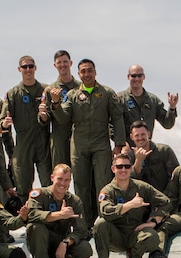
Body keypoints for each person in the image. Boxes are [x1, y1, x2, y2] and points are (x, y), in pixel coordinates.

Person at [50, 58, 126, 223]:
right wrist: (55, 104)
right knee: (81, 185)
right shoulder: (72, 95)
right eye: (83, 71)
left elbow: (117, 118)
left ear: (95, 72)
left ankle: (105, 220)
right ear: (79, 74)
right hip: (79, 145)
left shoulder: (107, 93)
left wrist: (119, 144)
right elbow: (63, 119)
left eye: (89, 70)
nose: (86, 74)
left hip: (101, 144)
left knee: (103, 182)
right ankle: (84, 224)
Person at [93, 153, 173, 258]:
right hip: (116, 235)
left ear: (131, 168)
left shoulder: (141, 187)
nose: (123, 170)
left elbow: (165, 202)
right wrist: (130, 205)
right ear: (113, 169)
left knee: (152, 236)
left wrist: (153, 221)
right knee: (100, 224)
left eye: (126, 166)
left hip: (135, 232)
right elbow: (105, 211)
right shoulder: (107, 191)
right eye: (119, 167)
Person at [23, 164, 93, 258]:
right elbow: (32, 215)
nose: (63, 183)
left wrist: (66, 242)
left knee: (85, 248)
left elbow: (81, 230)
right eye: (59, 179)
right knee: (35, 227)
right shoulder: (39, 195)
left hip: (60, 242)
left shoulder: (74, 201)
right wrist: (59, 215)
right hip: (40, 242)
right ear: (52, 178)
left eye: (66, 180)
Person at [0, 55, 51, 193]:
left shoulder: (46, 90)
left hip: (44, 143)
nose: (28, 69)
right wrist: (4, 124)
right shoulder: (13, 94)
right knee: (22, 188)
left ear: (35, 68)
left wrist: (45, 116)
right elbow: (2, 120)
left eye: (30, 66)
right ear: (19, 69)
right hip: (23, 143)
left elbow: (57, 114)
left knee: (49, 186)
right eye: (24, 67)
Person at [117, 65, 177, 137]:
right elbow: (112, 125)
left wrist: (172, 107)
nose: (137, 79)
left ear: (144, 77)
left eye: (139, 76)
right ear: (128, 77)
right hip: (126, 146)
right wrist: (122, 144)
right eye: (133, 76)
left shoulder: (153, 101)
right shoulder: (119, 99)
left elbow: (167, 124)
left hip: (147, 146)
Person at [43, 50, 79, 169]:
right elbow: (46, 117)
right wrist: (42, 115)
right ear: (55, 65)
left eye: (65, 62)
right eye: (59, 62)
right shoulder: (51, 89)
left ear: (71, 63)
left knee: (83, 178)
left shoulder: (80, 87)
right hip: (59, 138)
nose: (62, 65)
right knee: (60, 175)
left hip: (80, 137)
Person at [129, 120, 179, 193]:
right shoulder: (130, 156)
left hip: (166, 198)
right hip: (141, 200)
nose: (140, 138)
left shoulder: (164, 151)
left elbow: (175, 176)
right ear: (131, 137)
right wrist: (138, 161)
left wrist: (166, 197)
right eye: (137, 135)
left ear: (148, 134)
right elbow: (130, 181)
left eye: (143, 134)